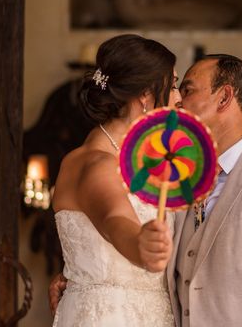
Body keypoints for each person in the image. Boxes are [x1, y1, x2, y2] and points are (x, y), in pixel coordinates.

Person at [52, 53, 242, 326]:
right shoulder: (174, 176)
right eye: (174, 88)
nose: (177, 101)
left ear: (224, 97)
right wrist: (82, 278)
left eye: (185, 90)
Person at [50, 34, 182, 327]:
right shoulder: (96, 163)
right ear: (146, 96)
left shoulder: (142, 159)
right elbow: (114, 221)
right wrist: (141, 243)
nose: (179, 97)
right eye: (172, 86)